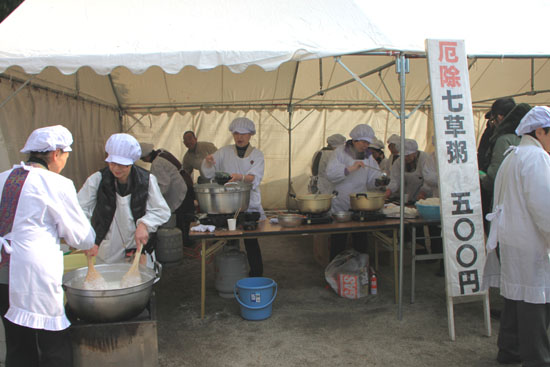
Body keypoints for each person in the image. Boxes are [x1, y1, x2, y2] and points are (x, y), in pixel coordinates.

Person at [0, 125, 95, 366]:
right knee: (53, 342)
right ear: (55, 154)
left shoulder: (2, 178)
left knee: (18, 343)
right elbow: (82, 237)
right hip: (33, 275)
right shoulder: (55, 183)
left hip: (2, 272)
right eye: (66, 155)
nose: (65, 160)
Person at [482, 106, 550, 365]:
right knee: (535, 301)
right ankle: (537, 358)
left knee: (514, 297)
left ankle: (509, 351)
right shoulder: (536, 157)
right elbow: (544, 206)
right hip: (529, 240)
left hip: (511, 238)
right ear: (540, 131)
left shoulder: (514, 155)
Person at [78, 133, 171, 268]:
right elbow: (80, 209)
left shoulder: (146, 180)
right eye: (112, 163)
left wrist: (144, 224)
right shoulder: (97, 180)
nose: (116, 168)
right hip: (107, 248)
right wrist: (86, 238)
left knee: (139, 284)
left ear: (131, 162)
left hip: (138, 247)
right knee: (109, 284)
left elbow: (161, 210)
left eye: (122, 164)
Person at [201, 118, 265, 276]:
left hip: (248, 203)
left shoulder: (257, 155)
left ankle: (256, 274)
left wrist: (239, 177)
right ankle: (226, 274)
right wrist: (208, 162)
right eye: (236, 133)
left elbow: (254, 178)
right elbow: (209, 172)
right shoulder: (224, 151)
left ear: (250, 135)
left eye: (244, 134)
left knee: (250, 240)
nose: (240, 137)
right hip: (226, 204)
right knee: (227, 239)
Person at [325, 124, 383, 260]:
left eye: (368, 143)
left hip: (360, 202)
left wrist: (379, 181)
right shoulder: (340, 152)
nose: (365, 146)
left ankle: (360, 269)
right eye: (363, 142)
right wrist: (350, 169)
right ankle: (336, 269)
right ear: (355, 140)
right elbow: (330, 174)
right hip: (342, 200)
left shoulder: (368, 156)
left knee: (361, 239)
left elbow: (372, 176)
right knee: (339, 239)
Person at [140, 143, 196, 245]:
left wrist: (153, 197)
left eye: (143, 159)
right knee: (188, 217)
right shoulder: (162, 152)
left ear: (147, 156)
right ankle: (189, 242)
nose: (144, 161)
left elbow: (164, 185)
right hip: (184, 185)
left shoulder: (157, 164)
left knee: (183, 220)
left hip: (179, 190)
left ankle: (186, 244)